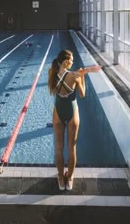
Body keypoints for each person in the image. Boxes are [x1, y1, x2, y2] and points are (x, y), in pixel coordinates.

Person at [48, 49, 101, 191]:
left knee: (59, 148)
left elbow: (55, 88)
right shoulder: (75, 76)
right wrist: (82, 76)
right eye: (71, 60)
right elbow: (83, 94)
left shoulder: (51, 72)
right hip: (72, 113)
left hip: (58, 112)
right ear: (66, 61)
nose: (72, 62)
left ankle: (60, 178)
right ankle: (69, 179)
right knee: (72, 148)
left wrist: (83, 72)